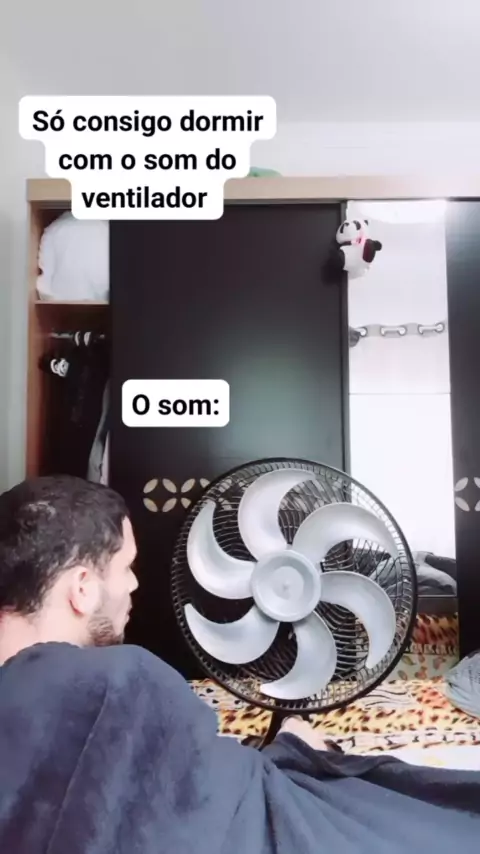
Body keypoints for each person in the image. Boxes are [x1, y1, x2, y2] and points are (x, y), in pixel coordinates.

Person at [0, 475, 478, 854]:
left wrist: (284, 751)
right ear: (82, 588)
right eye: (126, 567)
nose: (133, 585)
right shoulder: (120, 679)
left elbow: (182, 787)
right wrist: (294, 753)